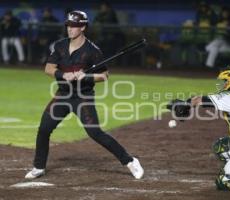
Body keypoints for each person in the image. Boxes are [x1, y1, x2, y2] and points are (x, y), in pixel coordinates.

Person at [24, 10, 144, 179]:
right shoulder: (60, 46)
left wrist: (85, 76)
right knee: (44, 129)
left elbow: (104, 76)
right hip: (63, 95)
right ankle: (39, 167)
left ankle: (130, 161)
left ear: (83, 27)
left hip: (82, 97)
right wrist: (63, 75)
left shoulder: (93, 51)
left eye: (74, 26)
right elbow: (48, 68)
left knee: (95, 133)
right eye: (68, 25)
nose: (70, 29)